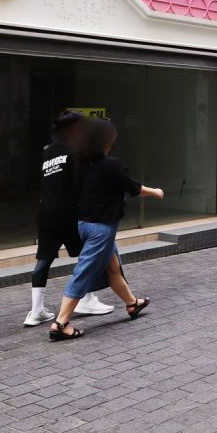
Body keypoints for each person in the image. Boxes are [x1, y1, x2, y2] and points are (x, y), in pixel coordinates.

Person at [49, 118, 163, 341]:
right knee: (83, 272)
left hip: (84, 224)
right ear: (105, 142)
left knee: (112, 268)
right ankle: (61, 322)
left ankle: (132, 303)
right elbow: (134, 188)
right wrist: (156, 192)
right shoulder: (112, 166)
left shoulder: (78, 163)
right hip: (102, 229)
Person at [24, 111, 114, 327]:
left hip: (46, 213)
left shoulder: (47, 151)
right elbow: (79, 183)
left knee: (44, 260)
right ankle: (87, 299)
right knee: (89, 255)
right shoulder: (75, 152)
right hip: (70, 214)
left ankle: (36, 311)